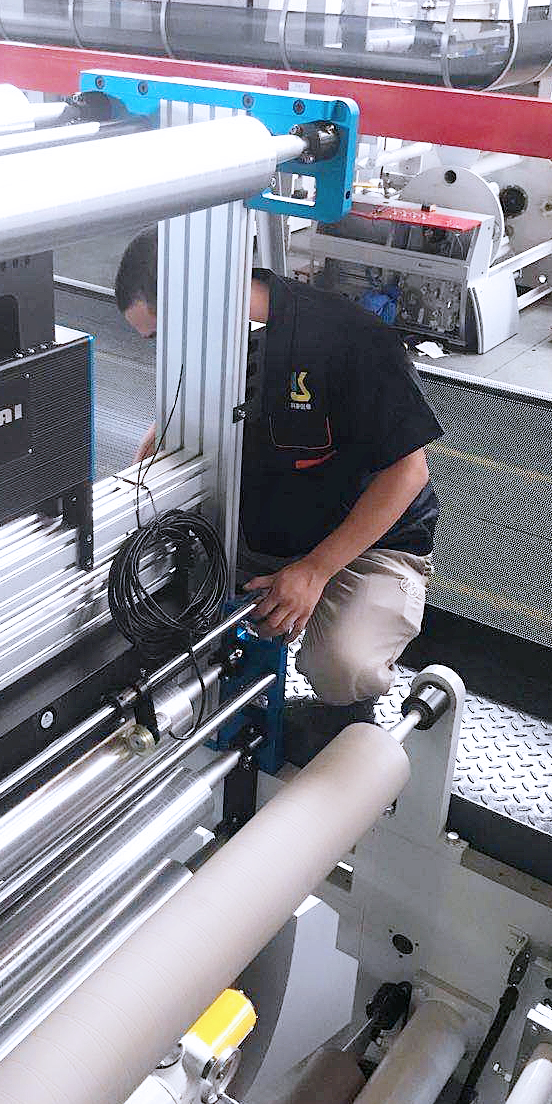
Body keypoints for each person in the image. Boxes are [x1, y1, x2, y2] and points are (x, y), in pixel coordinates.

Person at [115, 227, 443, 760]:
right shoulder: (212, 342)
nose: (164, 352)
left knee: (345, 665)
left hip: (365, 543)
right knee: (166, 613)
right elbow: (191, 417)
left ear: (201, 297)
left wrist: (315, 570)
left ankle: (343, 718)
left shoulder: (347, 338)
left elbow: (408, 474)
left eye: (161, 336)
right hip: (264, 528)